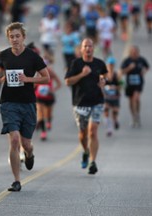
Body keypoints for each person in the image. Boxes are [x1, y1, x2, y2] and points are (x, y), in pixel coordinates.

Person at [0, 22, 50, 191]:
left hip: (27, 104)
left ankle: (30, 153)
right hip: (8, 103)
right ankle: (16, 180)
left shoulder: (33, 57)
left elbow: (46, 78)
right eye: (12, 37)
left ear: (23, 37)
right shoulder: (4, 55)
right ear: (8, 38)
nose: (15, 39)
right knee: (15, 140)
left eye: (18, 36)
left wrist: (28, 79)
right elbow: (1, 72)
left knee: (26, 143)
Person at [65, 38, 108, 175]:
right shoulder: (76, 63)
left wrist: (103, 81)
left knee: (93, 131)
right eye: (85, 46)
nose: (88, 48)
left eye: (90, 46)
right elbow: (68, 81)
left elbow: (105, 76)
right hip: (80, 103)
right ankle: (85, 151)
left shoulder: (99, 63)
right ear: (81, 49)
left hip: (97, 102)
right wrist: (82, 74)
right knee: (83, 134)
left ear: (93, 48)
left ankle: (92, 161)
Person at [120, 45, 149, 128]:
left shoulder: (141, 60)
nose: (134, 54)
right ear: (130, 53)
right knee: (130, 100)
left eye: (136, 52)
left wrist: (144, 71)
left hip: (139, 83)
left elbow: (147, 67)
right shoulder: (127, 61)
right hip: (130, 83)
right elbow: (122, 72)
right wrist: (129, 68)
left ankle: (137, 114)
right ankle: (133, 116)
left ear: (138, 53)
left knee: (136, 98)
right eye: (132, 52)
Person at [35, 52, 61, 141]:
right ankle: (43, 132)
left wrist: (52, 90)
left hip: (49, 96)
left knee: (48, 114)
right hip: (39, 96)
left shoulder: (50, 72)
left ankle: (49, 121)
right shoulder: (37, 72)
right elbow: (33, 84)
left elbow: (59, 83)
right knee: (41, 114)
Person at [103, 55, 121, 137]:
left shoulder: (117, 75)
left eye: (112, 65)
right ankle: (109, 129)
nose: (110, 66)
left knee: (114, 112)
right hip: (106, 96)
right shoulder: (104, 75)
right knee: (106, 111)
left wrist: (114, 87)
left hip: (115, 96)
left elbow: (121, 85)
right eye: (109, 64)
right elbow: (100, 85)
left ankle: (115, 121)